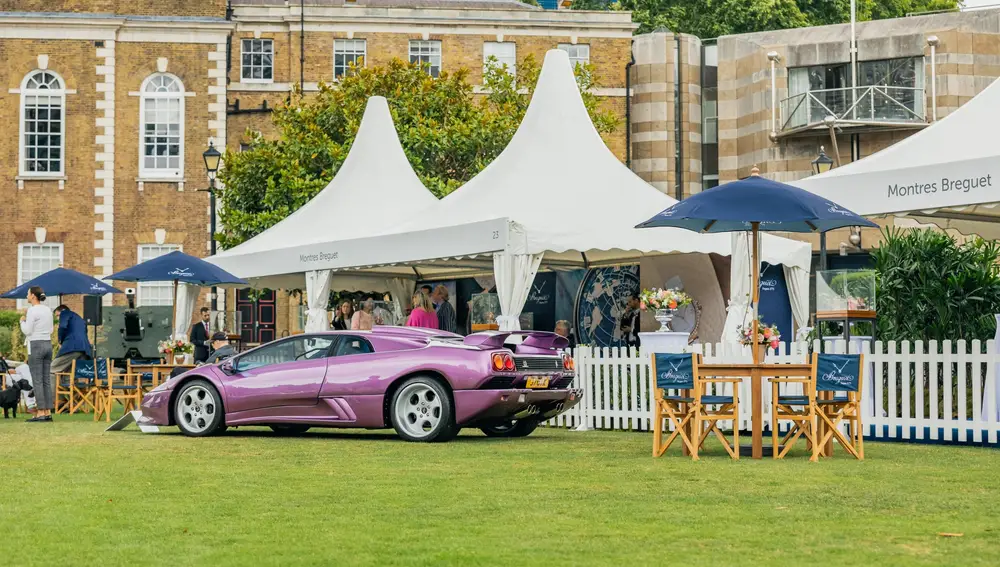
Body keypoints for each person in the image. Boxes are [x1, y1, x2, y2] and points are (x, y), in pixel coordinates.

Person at [20, 286, 53, 422]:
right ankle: (47, 411)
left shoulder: (32, 310)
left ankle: (40, 412)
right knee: (46, 379)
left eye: (28, 294)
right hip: (47, 344)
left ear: (33, 296)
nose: (27, 296)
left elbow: (27, 330)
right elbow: (51, 329)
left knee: (37, 380)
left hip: (36, 345)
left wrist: (22, 321)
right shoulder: (47, 309)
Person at [52, 305, 92, 373]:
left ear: (62, 310)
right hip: (84, 350)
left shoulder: (64, 313)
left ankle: (50, 384)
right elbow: (85, 332)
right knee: (70, 372)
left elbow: (62, 327)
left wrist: (60, 341)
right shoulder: (79, 318)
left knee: (52, 368)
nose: (58, 318)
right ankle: (71, 383)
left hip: (72, 347)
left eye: (58, 315)